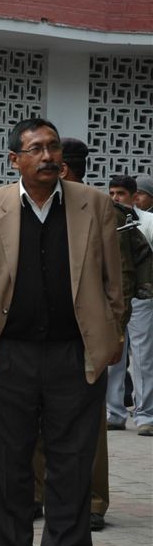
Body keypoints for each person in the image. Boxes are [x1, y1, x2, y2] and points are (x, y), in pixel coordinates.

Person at [0, 118, 124, 546]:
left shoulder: (95, 205)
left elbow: (113, 285)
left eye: (53, 147)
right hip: (8, 357)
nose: (48, 157)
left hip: (74, 357)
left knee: (73, 462)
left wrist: (108, 338)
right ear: (15, 159)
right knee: (9, 462)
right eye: (35, 149)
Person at [32, 141, 137, 534]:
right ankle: (39, 494)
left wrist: (114, 333)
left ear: (64, 170)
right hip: (38, 336)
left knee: (88, 428)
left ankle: (92, 501)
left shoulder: (97, 208)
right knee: (37, 422)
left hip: (85, 338)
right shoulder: (31, 207)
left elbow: (119, 278)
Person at [106, 175, 153, 437]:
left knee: (144, 358)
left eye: (121, 194)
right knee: (114, 357)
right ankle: (114, 413)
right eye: (111, 193)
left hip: (142, 301)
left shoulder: (147, 222)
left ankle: (146, 415)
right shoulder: (106, 221)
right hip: (114, 298)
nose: (115, 199)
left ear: (134, 197)